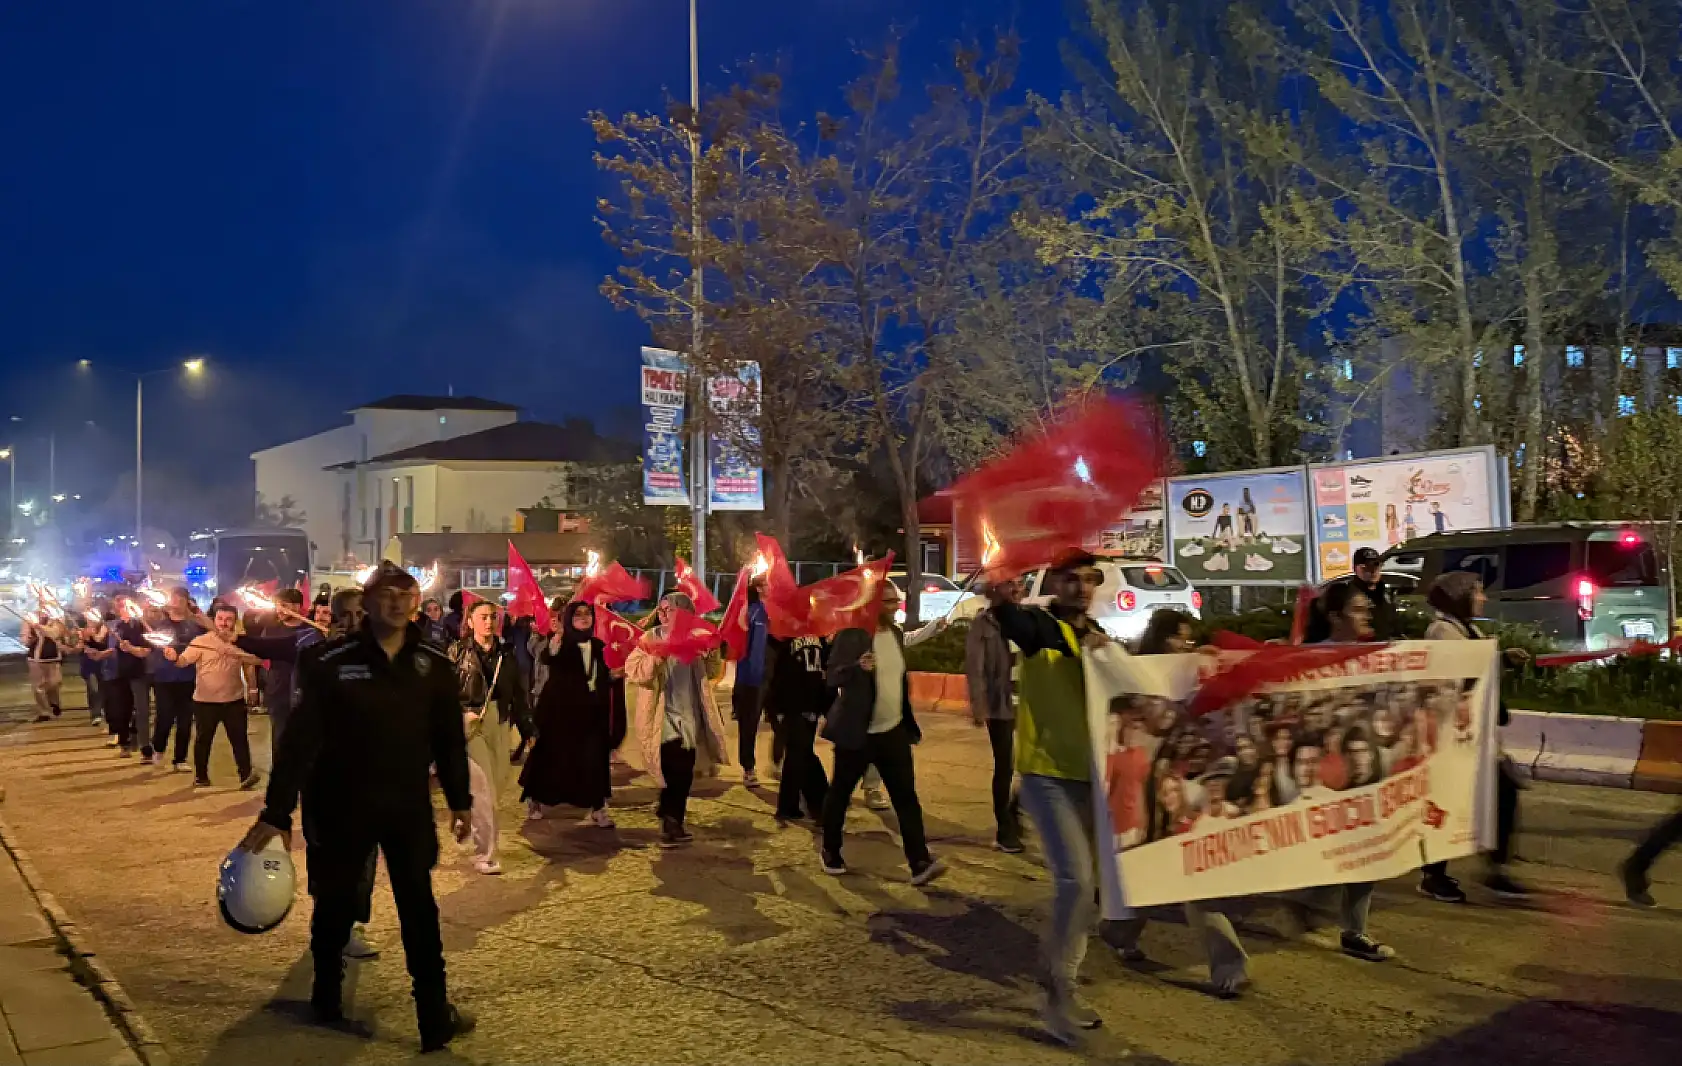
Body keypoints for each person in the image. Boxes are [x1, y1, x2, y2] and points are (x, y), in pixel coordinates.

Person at [240, 563, 476, 1053]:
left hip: (406, 807)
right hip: (342, 803)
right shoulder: (330, 661)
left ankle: (434, 1015)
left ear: (416, 601)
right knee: (335, 901)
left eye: (405, 592)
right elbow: (300, 742)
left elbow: (449, 739)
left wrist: (460, 801)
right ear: (367, 602)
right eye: (385, 593)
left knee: (419, 911)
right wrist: (277, 813)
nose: (396, 601)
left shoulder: (433, 664)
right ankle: (326, 993)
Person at [986, 549, 1116, 1042]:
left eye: (1088, 579)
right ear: (1053, 584)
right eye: (1069, 580)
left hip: (1095, 779)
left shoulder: (1101, 640)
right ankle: (1058, 989)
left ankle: (1074, 965)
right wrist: (1001, 604)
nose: (1080, 588)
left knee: (1100, 890)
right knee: (1076, 883)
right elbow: (1017, 623)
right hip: (1047, 776)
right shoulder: (1044, 630)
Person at [820, 582, 946, 887]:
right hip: (858, 734)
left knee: (906, 798)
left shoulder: (896, 634)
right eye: (888, 602)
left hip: (892, 732)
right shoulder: (853, 636)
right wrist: (856, 667)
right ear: (872, 604)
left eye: (896, 601)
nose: (895, 606)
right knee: (840, 794)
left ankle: (919, 862)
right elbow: (831, 674)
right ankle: (830, 850)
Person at [1417, 570, 1530, 903]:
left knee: (1500, 793)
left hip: (1474, 734)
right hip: (1454, 734)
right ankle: (1438, 874)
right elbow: (1462, 669)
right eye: (1477, 592)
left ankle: (1494, 868)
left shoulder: (1465, 629)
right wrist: (1499, 660)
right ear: (1459, 596)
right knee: (1454, 802)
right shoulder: (1441, 631)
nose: (1483, 598)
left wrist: (1502, 662)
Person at [1299, 580, 1395, 963]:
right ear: (1335, 617)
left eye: (1368, 609)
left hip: (1364, 768)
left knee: (1366, 849)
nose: (1366, 615)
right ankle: (1306, 898)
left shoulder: (1378, 657)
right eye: (1358, 609)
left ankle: (1355, 929)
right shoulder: (1309, 658)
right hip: (1324, 772)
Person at [627, 593, 731, 847]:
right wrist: (656, 657)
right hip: (662, 717)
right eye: (661, 609)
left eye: (669, 610)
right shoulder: (650, 638)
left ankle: (670, 815)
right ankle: (671, 822)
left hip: (689, 715)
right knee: (673, 768)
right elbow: (636, 672)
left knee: (684, 771)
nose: (663, 614)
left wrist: (711, 654)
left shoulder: (696, 639)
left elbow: (713, 673)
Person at [520, 601, 622, 826]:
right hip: (559, 713)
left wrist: (615, 675)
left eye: (588, 614)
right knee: (550, 758)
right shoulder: (562, 643)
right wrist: (555, 640)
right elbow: (549, 657)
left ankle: (598, 807)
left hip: (591, 713)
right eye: (578, 615)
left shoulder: (597, 645)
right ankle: (535, 799)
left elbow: (600, 675)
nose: (584, 618)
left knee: (594, 759)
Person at [450, 601, 530, 875]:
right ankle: (485, 854)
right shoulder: (456, 652)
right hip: (470, 723)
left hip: (500, 721)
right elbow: (443, 694)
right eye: (483, 617)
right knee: (485, 793)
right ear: (470, 622)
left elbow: (519, 693)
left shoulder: (506, 654)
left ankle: (463, 816)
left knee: (496, 786)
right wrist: (459, 716)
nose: (489, 622)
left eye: (493, 617)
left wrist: (528, 730)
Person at [167, 603, 263, 790]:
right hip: (205, 701)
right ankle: (201, 776)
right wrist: (174, 658)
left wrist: (252, 687)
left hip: (233, 699)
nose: (224, 623)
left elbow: (256, 660)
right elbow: (183, 661)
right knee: (203, 740)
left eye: (228, 619)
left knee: (239, 739)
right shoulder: (201, 641)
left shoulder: (240, 641)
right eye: (220, 619)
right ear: (214, 620)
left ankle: (245, 775)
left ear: (235, 621)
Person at [966, 577, 1023, 852]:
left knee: (1033, 769)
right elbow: (975, 667)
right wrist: (979, 705)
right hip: (1001, 705)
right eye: (1010, 584)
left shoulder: (1029, 619)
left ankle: (1014, 812)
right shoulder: (984, 623)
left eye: (1021, 583)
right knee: (1005, 767)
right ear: (995, 590)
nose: (1017, 589)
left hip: (1030, 704)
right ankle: (1005, 829)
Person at [767, 632, 830, 824]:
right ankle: (819, 802)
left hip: (800, 706)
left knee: (798, 756)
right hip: (800, 706)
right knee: (801, 754)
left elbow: (779, 675)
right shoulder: (816, 640)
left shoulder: (789, 641)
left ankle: (791, 806)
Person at [150, 588, 206, 773]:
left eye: (181, 599)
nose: (177, 602)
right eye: (174, 598)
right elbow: (151, 644)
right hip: (164, 678)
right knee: (165, 717)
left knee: (185, 720)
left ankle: (180, 758)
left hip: (188, 677)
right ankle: (158, 748)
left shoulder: (194, 626)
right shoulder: (159, 624)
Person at [1306, 547, 1397, 642]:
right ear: (1355, 568)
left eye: (1376, 566)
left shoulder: (1385, 596)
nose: (1373, 571)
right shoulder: (1344, 595)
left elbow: (1393, 626)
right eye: (1366, 567)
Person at [731, 580, 771, 788]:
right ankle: (748, 767)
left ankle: (779, 760)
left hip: (775, 677)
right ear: (758, 588)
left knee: (783, 722)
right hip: (752, 679)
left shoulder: (777, 611)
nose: (772, 586)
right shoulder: (751, 612)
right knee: (749, 725)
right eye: (766, 583)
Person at [113, 607, 155, 761]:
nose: (152, 614)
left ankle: (146, 739)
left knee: (161, 713)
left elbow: (147, 650)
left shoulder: (163, 627)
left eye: (156, 611)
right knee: (142, 710)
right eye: (150, 611)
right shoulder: (131, 627)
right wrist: (129, 648)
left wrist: (131, 649)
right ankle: (145, 746)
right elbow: (141, 651)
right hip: (139, 674)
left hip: (162, 674)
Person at [20, 611, 66, 723]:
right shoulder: (30, 617)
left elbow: (56, 633)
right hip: (35, 658)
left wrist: (39, 627)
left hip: (53, 656)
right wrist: (29, 639)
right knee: (38, 686)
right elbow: (24, 639)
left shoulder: (57, 616)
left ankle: (54, 703)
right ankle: (43, 711)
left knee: (54, 683)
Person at [76, 614, 107, 728]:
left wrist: (92, 635)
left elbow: (100, 641)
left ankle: (103, 708)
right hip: (88, 663)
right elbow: (79, 647)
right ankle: (95, 714)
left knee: (103, 688)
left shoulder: (104, 628)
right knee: (93, 688)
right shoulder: (82, 631)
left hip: (102, 662)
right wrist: (81, 640)